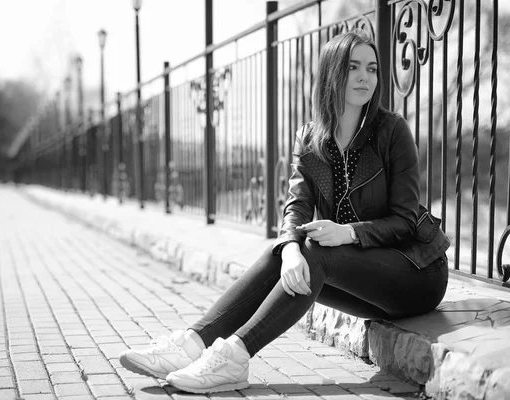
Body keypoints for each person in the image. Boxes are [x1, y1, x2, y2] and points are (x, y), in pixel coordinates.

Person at [119, 29, 449, 394]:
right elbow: (297, 206)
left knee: (316, 251)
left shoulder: (392, 131)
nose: (364, 77)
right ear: (331, 73)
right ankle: (191, 345)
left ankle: (234, 357)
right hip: (365, 279)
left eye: (371, 68)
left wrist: (349, 232)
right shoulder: (310, 139)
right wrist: (289, 248)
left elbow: (404, 222)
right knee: (290, 253)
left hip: (417, 273)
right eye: (353, 66)